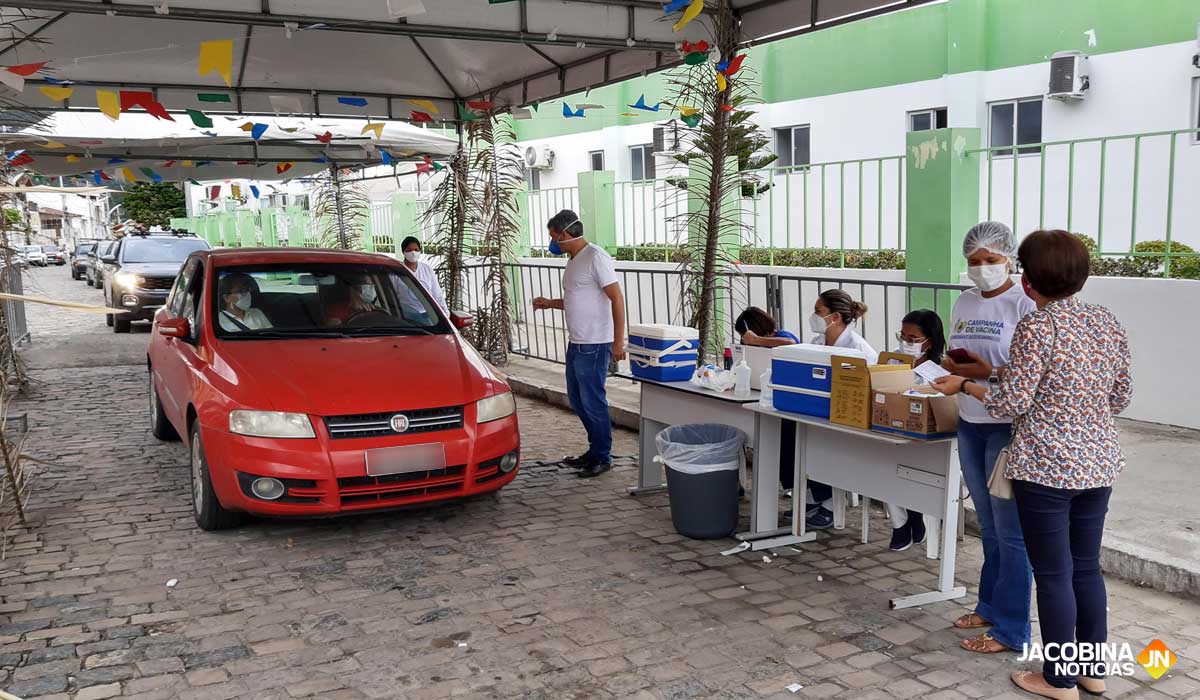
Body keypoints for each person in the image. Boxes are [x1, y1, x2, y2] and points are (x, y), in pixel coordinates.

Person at [934, 231, 1132, 699]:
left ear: (1026, 280)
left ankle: (1058, 678)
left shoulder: (1037, 326)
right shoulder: (1105, 320)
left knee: (1054, 574)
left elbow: (1012, 402)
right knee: (1086, 569)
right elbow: (1121, 396)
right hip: (1098, 463)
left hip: (1046, 468)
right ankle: (1091, 671)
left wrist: (965, 387)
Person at [938, 221, 1035, 655]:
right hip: (969, 419)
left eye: (990, 260)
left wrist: (985, 372)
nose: (982, 268)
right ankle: (989, 606)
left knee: (1011, 531)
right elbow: (960, 352)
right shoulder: (965, 300)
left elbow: (1031, 372)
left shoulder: (1025, 304)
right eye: (973, 261)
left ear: (1009, 259)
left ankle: (1013, 629)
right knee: (989, 525)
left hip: (1007, 424)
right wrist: (953, 367)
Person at [532, 210, 627, 478]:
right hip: (577, 342)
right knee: (577, 399)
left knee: (593, 402)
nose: (552, 242)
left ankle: (603, 456)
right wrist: (550, 303)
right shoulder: (574, 260)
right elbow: (577, 299)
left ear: (565, 234)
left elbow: (616, 299)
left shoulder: (596, 257)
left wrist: (618, 342)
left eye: (554, 236)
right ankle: (594, 451)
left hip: (595, 343)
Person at [805, 289, 876, 530]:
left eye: (818, 311)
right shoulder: (818, 342)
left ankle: (831, 504)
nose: (814, 316)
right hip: (824, 409)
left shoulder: (857, 349)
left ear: (835, 317)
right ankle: (816, 496)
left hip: (853, 416)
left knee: (831, 444)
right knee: (799, 437)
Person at [883, 309, 946, 551]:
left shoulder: (943, 369)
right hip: (894, 433)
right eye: (903, 336)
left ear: (929, 341)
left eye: (912, 339)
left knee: (906, 465)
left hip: (929, 442)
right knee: (880, 464)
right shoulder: (892, 360)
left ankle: (916, 513)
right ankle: (900, 524)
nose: (905, 343)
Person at [400, 236, 448, 314]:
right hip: (405, 315)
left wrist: (445, 313)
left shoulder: (427, 269)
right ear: (403, 252)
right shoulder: (397, 270)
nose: (413, 253)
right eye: (409, 250)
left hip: (428, 314)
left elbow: (437, 294)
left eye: (416, 250)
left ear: (420, 250)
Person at [735, 306, 800, 347]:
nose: (744, 339)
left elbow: (790, 343)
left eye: (744, 336)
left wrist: (755, 339)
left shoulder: (781, 335)